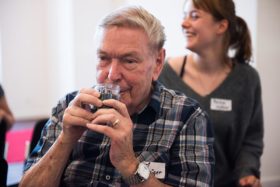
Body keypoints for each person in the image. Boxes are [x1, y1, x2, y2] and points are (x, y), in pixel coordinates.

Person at [19, 6, 214, 187]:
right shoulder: (69, 106)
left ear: (157, 62)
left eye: (128, 61)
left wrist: (129, 164)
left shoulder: (187, 117)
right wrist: (65, 140)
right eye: (103, 58)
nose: (111, 74)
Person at [158, 0, 264, 187]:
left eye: (194, 16)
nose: (184, 23)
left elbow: (251, 139)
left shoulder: (247, 79)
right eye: (184, 16)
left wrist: (247, 172)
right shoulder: (164, 75)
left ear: (221, 26)